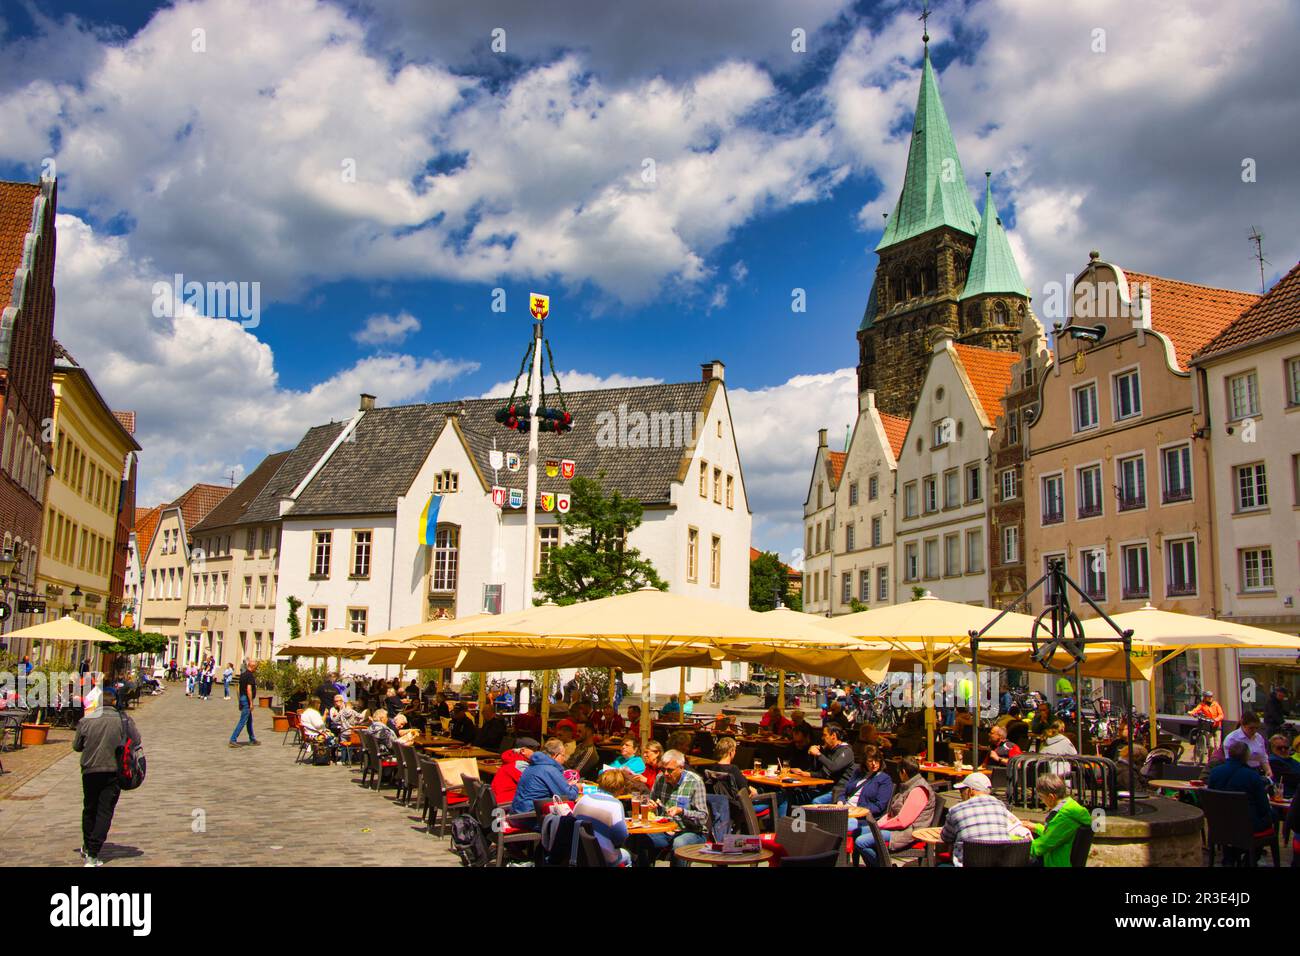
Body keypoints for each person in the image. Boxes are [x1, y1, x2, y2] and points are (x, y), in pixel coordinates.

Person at [73, 686, 141, 866]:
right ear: (115, 702)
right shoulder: (124, 720)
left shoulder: (86, 720)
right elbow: (136, 741)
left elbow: (77, 746)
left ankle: (88, 846)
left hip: (90, 770)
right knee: (105, 811)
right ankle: (93, 853)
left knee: (89, 808)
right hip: (113, 771)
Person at [856, 757, 936, 864]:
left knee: (861, 842)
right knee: (857, 832)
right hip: (896, 828)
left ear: (903, 772)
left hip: (908, 833)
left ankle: (883, 864)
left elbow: (902, 822)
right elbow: (894, 814)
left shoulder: (919, 790)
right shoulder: (910, 785)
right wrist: (880, 822)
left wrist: (879, 826)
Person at [940, 771, 1030, 866]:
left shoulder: (956, 810)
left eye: (962, 791)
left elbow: (946, 838)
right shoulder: (1001, 807)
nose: (961, 794)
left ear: (970, 791)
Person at [639, 750, 708, 866]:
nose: (665, 773)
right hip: (664, 830)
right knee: (638, 839)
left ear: (681, 768)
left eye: (670, 770)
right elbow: (653, 805)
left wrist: (682, 811)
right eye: (663, 769)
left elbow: (703, 817)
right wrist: (651, 807)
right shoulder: (660, 778)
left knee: (679, 843)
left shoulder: (695, 781)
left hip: (690, 831)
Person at [1027, 772, 1091, 867]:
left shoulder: (1064, 818)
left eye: (1042, 797)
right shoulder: (1070, 808)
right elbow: (1055, 834)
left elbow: (1039, 847)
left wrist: (1015, 841)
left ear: (1051, 797)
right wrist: (1035, 827)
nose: (1041, 801)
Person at [573, 770, 633, 865]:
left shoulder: (583, 799)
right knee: (627, 854)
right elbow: (621, 836)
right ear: (620, 788)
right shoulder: (615, 804)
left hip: (579, 853)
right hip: (602, 856)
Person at [511, 739, 579, 814]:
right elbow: (569, 796)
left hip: (518, 814)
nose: (565, 759)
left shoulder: (532, 766)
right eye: (563, 755)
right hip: (531, 818)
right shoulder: (550, 769)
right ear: (555, 755)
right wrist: (577, 787)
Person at [806, 723, 856, 800]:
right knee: (801, 796)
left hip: (840, 791)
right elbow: (819, 770)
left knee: (817, 801)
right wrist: (813, 756)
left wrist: (819, 754)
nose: (822, 738)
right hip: (826, 787)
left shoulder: (846, 751)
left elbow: (833, 767)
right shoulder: (829, 750)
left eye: (825, 735)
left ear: (833, 736)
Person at [491, 737, 538, 806]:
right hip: (506, 805)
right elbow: (534, 784)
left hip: (496, 801)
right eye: (534, 750)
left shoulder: (511, 759)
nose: (537, 753)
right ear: (523, 751)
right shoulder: (520, 765)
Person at [1223, 712, 1270, 777]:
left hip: (1257, 771)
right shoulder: (1232, 739)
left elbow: (1263, 757)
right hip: (1239, 772)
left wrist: (1268, 770)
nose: (1254, 731)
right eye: (1251, 728)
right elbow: (1229, 761)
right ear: (1242, 725)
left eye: (1256, 728)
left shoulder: (1259, 737)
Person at [228, 659, 260, 747]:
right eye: (256, 668)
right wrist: (251, 703)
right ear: (252, 667)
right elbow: (249, 690)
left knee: (249, 720)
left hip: (242, 698)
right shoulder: (250, 676)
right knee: (243, 721)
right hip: (246, 699)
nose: (256, 669)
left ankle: (252, 739)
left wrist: (239, 701)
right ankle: (233, 739)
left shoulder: (242, 675)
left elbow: (238, 688)